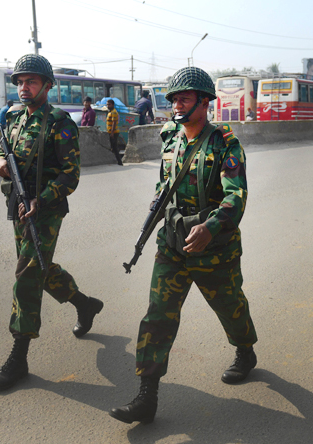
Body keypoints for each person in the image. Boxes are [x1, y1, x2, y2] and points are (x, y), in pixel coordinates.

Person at [110, 66, 258, 424]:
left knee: (230, 306)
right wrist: (158, 201)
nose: (177, 104)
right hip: (173, 243)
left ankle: (245, 350)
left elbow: (236, 195)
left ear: (205, 102)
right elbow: (166, 181)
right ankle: (147, 395)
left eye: (185, 97)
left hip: (215, 247)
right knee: (158, 315)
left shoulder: (225, 143)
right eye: (174, 98)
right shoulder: (169, 136)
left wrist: (210, 226)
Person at [0, 54, 104, 392]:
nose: (25, 88)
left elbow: (72, 175)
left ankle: (19, 355)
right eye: (21, 82)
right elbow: (1, 149)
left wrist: (43, 199)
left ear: (47, 85)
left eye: (32, 82)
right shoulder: (12, 117)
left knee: (26, 274)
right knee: (40, 266)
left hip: (46, 208)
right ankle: (85, 304)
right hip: (17, 204)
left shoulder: (59, 123)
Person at [106, 99, 123, 165]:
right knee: (113, 147)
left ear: (112, 104)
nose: (108, 106)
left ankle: (119, 162)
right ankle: (116, 161)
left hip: (114, 132)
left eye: (109, 104)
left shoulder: (114, 112)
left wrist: (112, 133)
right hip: (110, 131)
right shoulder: (110, 112)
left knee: (115, 147)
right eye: (107, 104)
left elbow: (114, 123)